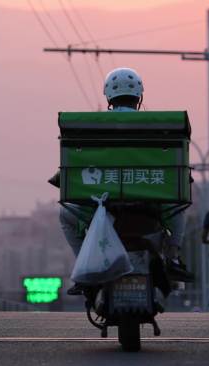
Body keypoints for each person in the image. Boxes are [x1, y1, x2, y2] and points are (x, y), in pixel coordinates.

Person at [54, 67, 194, 295]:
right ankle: (174, 258)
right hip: (150, 203)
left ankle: (83, 266)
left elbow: (75, 168)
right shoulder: (156, 127)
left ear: (109, 97)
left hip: (105, 205)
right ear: (139, 97)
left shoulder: (93, 127)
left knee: (65, 215)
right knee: (179, 208)